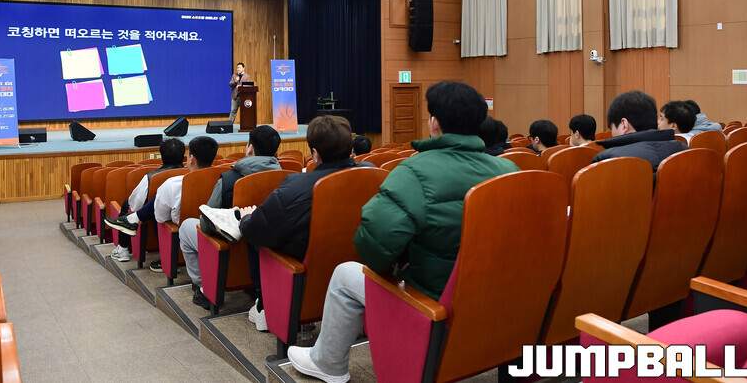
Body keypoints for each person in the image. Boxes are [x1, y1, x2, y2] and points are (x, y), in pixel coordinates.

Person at [286, 81, 519, 382]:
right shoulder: (509, 169)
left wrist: (395, 265)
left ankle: (328, 364)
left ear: (434, 123)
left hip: (434, 303)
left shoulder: (413, 172)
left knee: (346, 274)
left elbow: (372, 247)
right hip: (493, 297)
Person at [198, 115, 361, 331]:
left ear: (316, 154)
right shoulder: (371, 173)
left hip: (300, 271)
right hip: (352, 264)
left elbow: (257, 230)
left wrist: (246, 218)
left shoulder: (296, 186)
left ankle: (265, 306)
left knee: (261, 236)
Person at [178, 125, 282, 308]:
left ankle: (204, 288)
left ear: (250, 148)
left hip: (230, 247)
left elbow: (205, 223)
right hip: (267, 248)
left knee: (188, 226)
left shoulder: (228, 179)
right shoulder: (287, 176)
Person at [105, 137, 186, 264]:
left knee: (127, 204)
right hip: (186, 214)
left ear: (161, 156)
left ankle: (122, 249)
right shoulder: (191, 175)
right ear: (184, 156)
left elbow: (135, 206)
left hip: (161, 219)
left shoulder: (150, 177)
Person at [592, 90, 686, 171]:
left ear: (624, 125)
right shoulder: (684, 150)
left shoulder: (608, 160)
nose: (612, 133)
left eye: (612, 128)